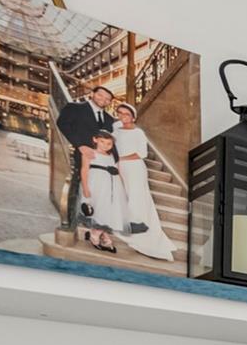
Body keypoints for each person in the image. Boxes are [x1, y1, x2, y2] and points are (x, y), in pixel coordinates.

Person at [111, 102, 178, 260]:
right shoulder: (115, 128)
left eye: (126, 114)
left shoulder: (138, 133)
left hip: (134, 168)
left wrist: (121, 159)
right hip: (119, 166)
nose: (123, 116)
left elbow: (142, 153)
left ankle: (139, 228)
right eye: (120, 113)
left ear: (133, 117)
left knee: (136, 197)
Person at [54, 84, 116, 232]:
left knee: (98, 191)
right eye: (100, 95)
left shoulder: (110, 120)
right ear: (92, 94)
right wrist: (80, 145)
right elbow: (62, 123)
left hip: (102, 161)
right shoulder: (75, 108)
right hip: (82, 155)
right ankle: (69, 223)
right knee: (76, 186)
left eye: (107, 99)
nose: (103, 100)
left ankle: (93, 223)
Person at [77, 131, 128, 253]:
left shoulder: (112, 157)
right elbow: (84, 171)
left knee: (107, 211)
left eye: (109, 143)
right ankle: (97, 234)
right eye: (102, 142)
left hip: (112, 187)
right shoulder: (90, 154)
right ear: (95, 140)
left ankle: (98, 233)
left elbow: (119, 173)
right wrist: (85, 188)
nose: (105, 145)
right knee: (98, 209)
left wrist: (123, 189)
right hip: (96, 186)